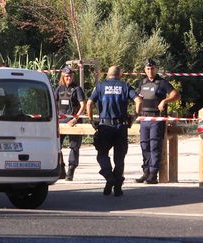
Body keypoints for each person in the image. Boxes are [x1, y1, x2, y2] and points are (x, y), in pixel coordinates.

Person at [87, 66, 142, 196]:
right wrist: (134, 117)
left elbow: (89, 103)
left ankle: (109, 176)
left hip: (105, 126)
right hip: (121, 127)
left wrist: (91, 121)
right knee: (119, 158)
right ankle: (117, 187)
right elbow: (138, 100)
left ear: (108, 74)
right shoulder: (125, 86)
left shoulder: (100, 86)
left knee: (102, 154)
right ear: (120, 75)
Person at [135, 58, 180, 184]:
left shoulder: (162, 82)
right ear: (145, 70)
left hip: (157, 119)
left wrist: (165, 101)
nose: (150, 71)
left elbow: (176, 95)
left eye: (152, 68)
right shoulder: (142, 82)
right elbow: (137, 97)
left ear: (156, 69)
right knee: (144, 145)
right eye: (148, 69)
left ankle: (153, 175)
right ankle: (146, 172)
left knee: (155, 146)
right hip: (144, 119)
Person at [54, 66, 86, 181]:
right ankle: (61, 168)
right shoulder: (59, 89)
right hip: (61, 122)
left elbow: (83, 105)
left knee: (74, 147)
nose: (69, 78)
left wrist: (76, 118)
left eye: (71, 76)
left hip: (74, 122)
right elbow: (53, 104)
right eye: (67, 76)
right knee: (57, 146)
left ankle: (71, 170)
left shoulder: (77, 89)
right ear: (63, 76)